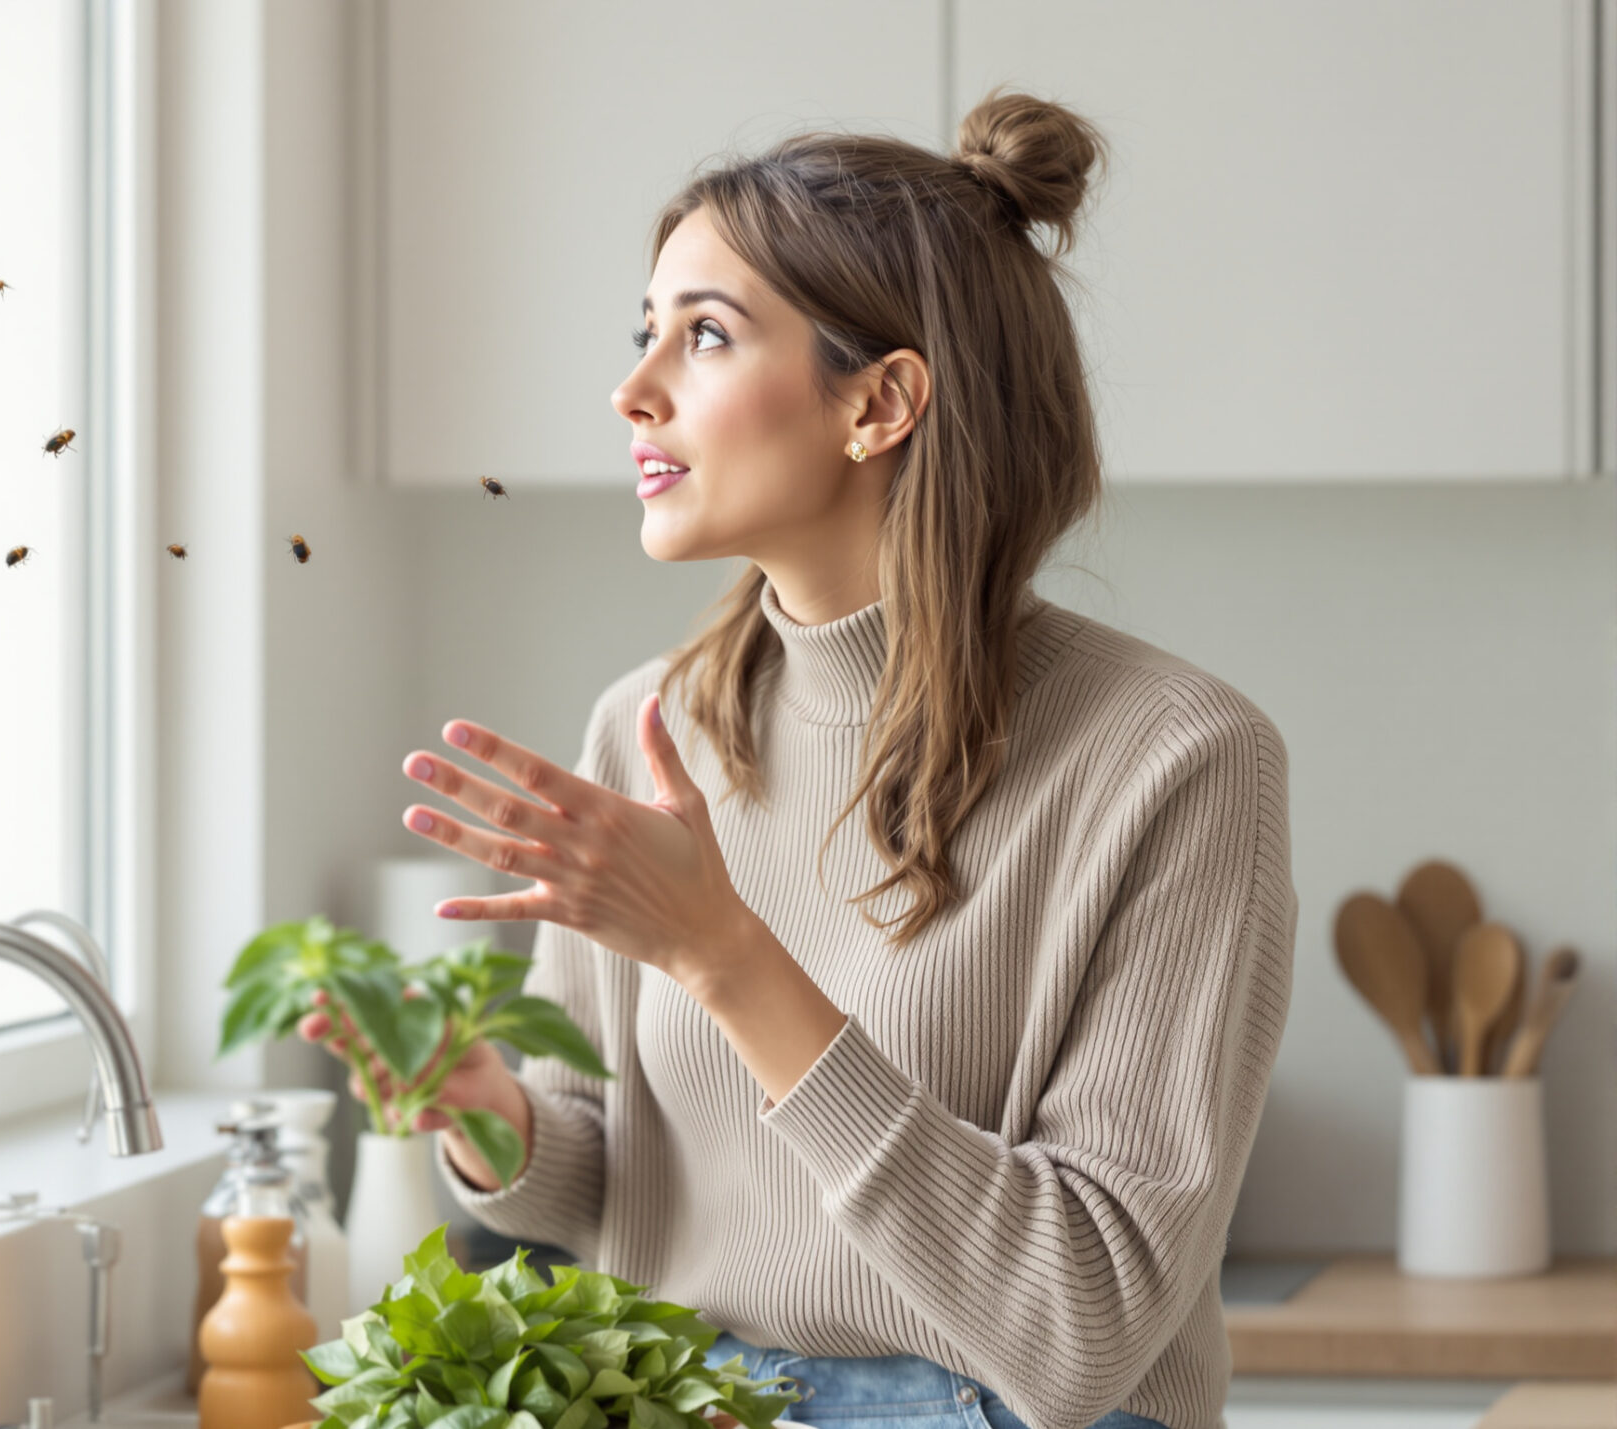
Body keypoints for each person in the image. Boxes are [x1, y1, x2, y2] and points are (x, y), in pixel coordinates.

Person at [301, 88, 1294, 1429]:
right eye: (644, 331)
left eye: (704, 336)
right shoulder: (651, 726)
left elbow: (1081, 1326)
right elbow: (607, 1190)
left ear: (879, 403)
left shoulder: (1177, 762)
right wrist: (494, 1120)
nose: (633, 388)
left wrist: (724, 953)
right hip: (686, 1401)